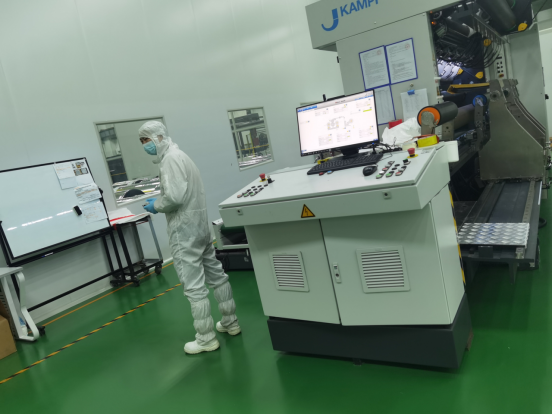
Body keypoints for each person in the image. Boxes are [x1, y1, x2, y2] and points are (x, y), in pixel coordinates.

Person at [138, 121, 241, 354]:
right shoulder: (182, 155)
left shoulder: (170, 159)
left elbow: (174, 197)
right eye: (142, 141)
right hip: (200, 228)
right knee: (217, 276)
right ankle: (230, 322)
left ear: (159, 137)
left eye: (146, 140)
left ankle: (206, 338)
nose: (144, 145)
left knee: (194, 287)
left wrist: (156, 205)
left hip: (184, 232)